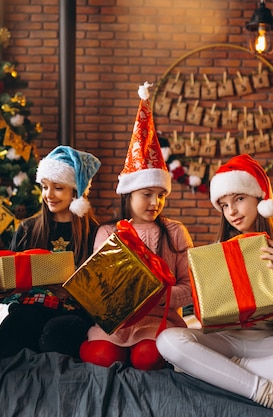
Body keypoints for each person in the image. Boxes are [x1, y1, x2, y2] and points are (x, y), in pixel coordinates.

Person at [156, 154, 273, 417]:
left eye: (239, 199)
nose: (231, 211)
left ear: (261, 200)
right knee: (167, 341)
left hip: (271, 346)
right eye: (224, 205)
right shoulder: (220, 251)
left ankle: (224, 370)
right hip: (227, 340)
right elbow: (212, 322)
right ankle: (272, 394)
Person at [79, 83, 194, 371]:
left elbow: (191, 286)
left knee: (147, 357)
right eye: (146, 195)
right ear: (128, 195)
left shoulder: (175, 231)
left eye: (161, 195)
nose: (155, 202)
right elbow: (100, 289)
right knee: (101, 357)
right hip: (117, 325)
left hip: (160, 322)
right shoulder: (108, 233)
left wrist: (157, 294)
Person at [0, 146, 101, 360]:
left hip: (73, 312)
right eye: (44, 186)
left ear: (76, 191)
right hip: (31, 306)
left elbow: (103, 294)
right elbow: (10, 285)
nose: (48, 195)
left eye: (58, 187)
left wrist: (74, 291)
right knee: (5, 344)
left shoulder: (95, 234)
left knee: (54, 341)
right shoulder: (27, 229)